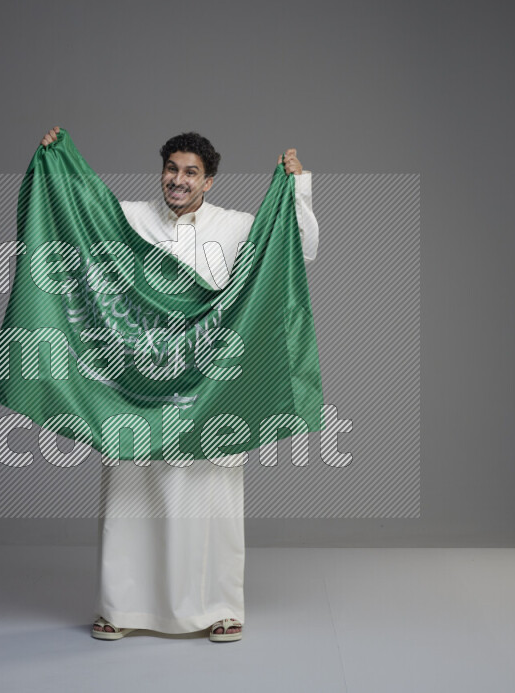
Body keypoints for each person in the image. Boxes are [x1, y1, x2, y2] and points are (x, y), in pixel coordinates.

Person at [38, 127, 320, 642]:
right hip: (137, 384)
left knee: (209, 499)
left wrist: (296, 188)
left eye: (191, 172)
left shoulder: (235, 226)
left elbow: (297, 251)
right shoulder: (130, 218)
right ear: (162, 171)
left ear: (209, 181)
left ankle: (219, 608)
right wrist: (57, 158)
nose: (178, 180)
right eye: (172, 169)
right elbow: (76, 218)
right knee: (130, 498)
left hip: (208, 387)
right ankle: (121, 608)